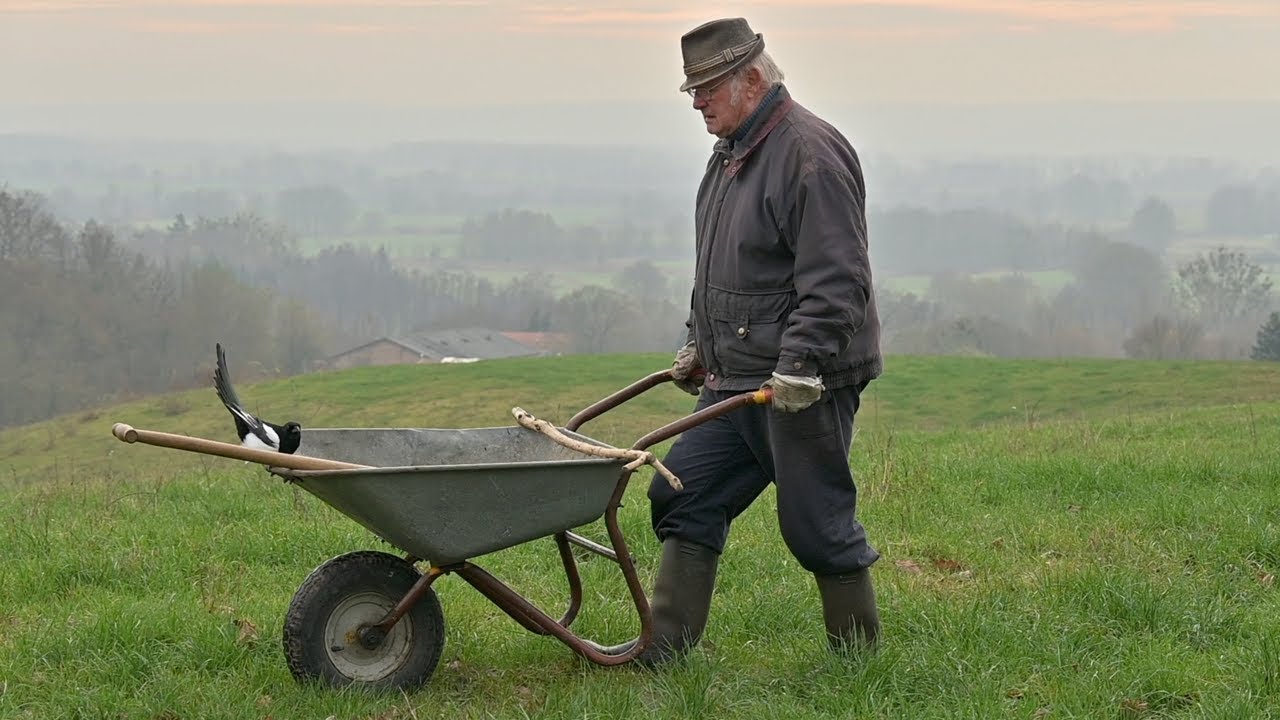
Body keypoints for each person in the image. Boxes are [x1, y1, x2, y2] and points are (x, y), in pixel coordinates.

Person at [627, 17, 885, 667]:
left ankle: (858, 666)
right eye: (691, 89)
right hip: (736, 381)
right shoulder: (729, 157)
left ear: (751, 79)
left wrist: (801, 366)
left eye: (707, 86)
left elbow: (838, 281)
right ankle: (666, 655)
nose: (696, 101)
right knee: (680, 494)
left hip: (799, 383)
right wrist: (698, 343)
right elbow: (719, 267)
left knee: (816, 525)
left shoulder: (809, 155)